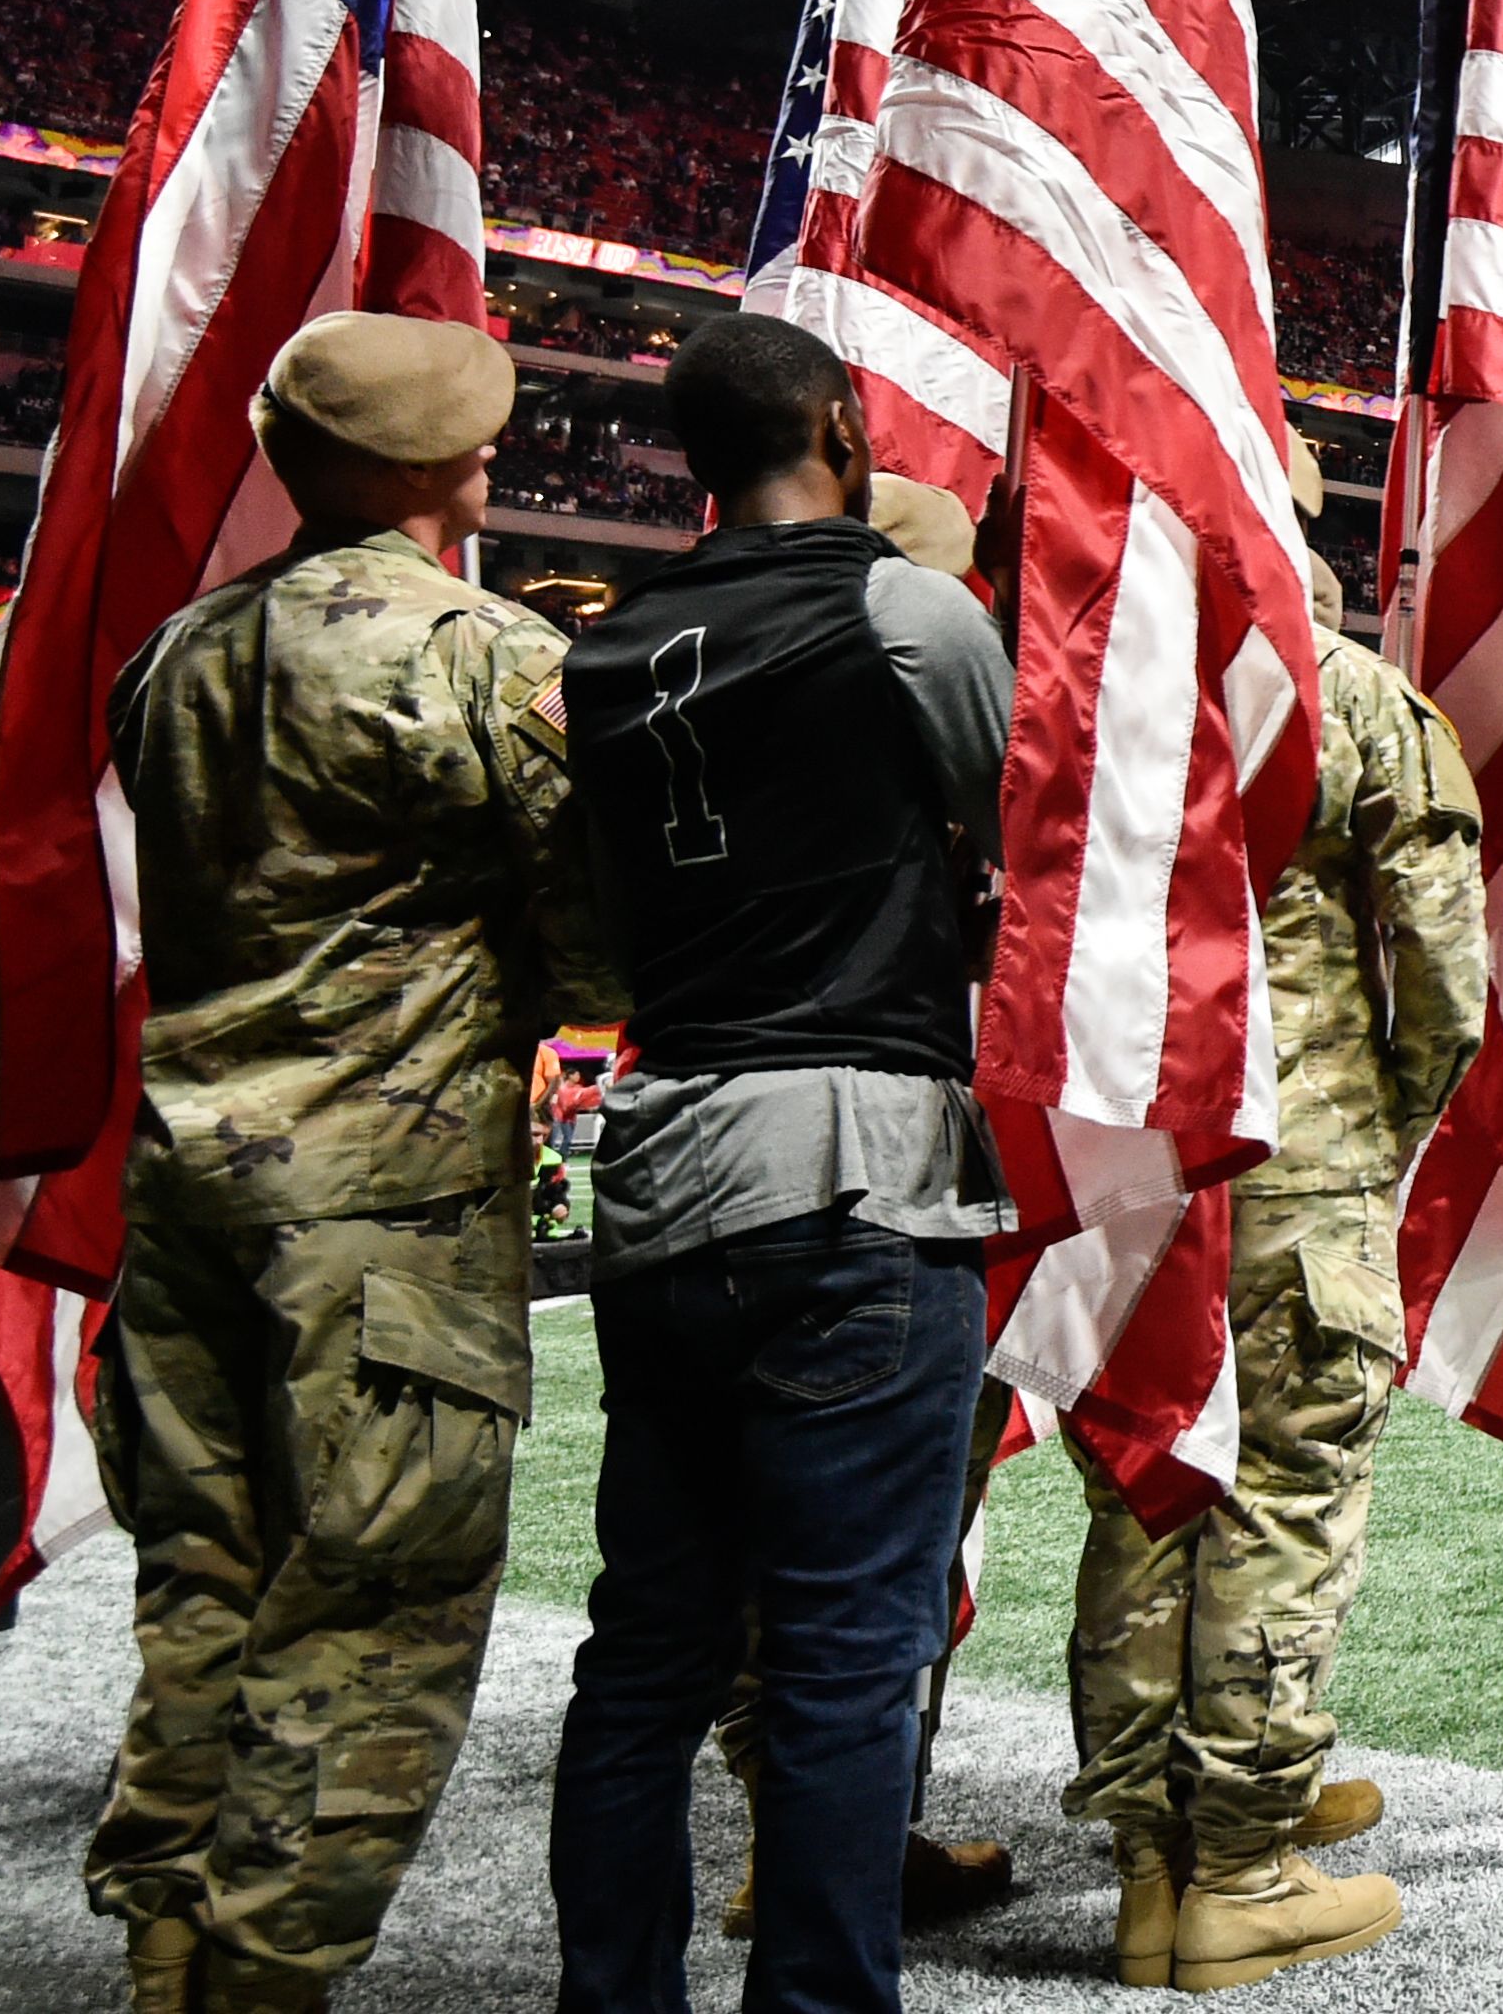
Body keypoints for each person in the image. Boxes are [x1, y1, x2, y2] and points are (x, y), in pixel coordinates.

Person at [91, 314, 620, 2014]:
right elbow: (603, 942)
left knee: (205, 1580)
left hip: (185, 1177)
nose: (491, 452)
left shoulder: (176, 652)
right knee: (378, 1614)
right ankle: (265, 1976)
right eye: (470, 434)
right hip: (384, 1207)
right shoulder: (485, 653)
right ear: (418, 469)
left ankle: (164, 1946)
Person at [547, 317, 1012, 2014]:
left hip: (662, 1167)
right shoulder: (899, 606)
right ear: (839, 419)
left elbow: (599, 924)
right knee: (839, 1666)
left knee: (646, 1654)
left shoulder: (599, 650)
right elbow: (1024, 829)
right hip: (851, 1166)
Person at [1069, 445, 1486, 1989]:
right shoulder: (1345, 687)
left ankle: (1142, 1863)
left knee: (1142, 1495)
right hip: (1297, 1160)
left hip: (1127, 1161)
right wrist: (1379, 1128)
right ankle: (1239, 1866)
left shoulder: (1093, 674)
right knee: (1283, 1504)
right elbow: (1443, 976)